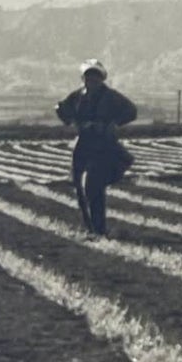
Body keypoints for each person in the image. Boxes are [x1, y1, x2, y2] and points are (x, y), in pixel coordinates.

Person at [55, 60, 137, 237]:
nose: (91, 80)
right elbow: (61, 108)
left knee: (93, 185)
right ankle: (90, 228)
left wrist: (114, 123)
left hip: (103, 145)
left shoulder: (111, 96)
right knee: (79, 185)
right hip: (83, 143)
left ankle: (99, 229)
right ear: (83, 78)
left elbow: (131, 111)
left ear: (101, 78)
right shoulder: (77, 96)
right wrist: (72, 123)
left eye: (95, 76)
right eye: (88, 76)